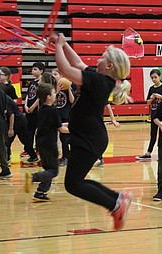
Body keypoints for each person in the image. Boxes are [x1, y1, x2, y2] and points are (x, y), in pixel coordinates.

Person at [54, 33, 133, 231]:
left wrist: (58, 47)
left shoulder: (100, 82)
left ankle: (115, 204)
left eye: (102, 56)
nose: (98, 58)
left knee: (73, 185)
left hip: (89, 138)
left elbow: (64, 69)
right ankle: (117, 199)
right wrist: (63, 45)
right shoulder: (101, 79)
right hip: (89, 137)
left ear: (109, 66)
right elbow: (78, 62)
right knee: (76, 181)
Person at [25, 81, 69, 202]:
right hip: (50, 144)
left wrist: (68, 124)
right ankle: (33, 177)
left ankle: (40, 192)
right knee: (54, 171)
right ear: (49, 97)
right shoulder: (53, 111)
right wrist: (74, 131)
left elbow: (56, 125)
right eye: (54, 93)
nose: (56, 94)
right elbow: (60, 129)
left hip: (41, 143)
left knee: (48, 169)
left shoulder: (42, 109)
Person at [136, 69, 162, 160]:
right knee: (153, 135)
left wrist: (160, 97)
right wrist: (151, 99)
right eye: (152, 78)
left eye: (155, 77)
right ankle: (148, 153)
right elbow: (147, 102)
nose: (154, 79)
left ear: (160, 76)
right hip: (154, 115)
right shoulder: (151, 88)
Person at [5, 95, 39, 165]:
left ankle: (6, 159)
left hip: (18, 122)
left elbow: (12, 114)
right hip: (19, 121)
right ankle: (33, 156)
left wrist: (11, 129)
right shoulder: (5, 98)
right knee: (25, 141)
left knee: (8, 141)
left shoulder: (6, 100)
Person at [21, 62, 45, 157]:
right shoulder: (32, 82)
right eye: (32, 69)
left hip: (37, 110)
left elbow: (40, 97)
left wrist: (33, 107)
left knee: (38, 131)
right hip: (29, 110)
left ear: (41, 71)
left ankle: (38, 148)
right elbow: (28, 95)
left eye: (35, 69)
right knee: (28, 131)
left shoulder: (42, 83)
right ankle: (28, 149)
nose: (32, 71)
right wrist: (26, 105)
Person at [52, 68, 75, 166]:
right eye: (52, 74)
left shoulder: (68, 85)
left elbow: (72, 100)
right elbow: (52, 101)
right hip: (57, 114)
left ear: (61, 75)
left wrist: (69, 88)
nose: (53, 76)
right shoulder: (53, 88)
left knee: (65, 138)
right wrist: (57, 90)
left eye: (55, 74)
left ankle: (66, 157)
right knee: (60, 138)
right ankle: (64, 155)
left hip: (66, 115)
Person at [95, 103, 121, 167]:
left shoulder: (99, 95)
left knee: (97, 139)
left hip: (95, 119)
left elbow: (108, 105)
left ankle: (98, 158)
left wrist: (113, 120)